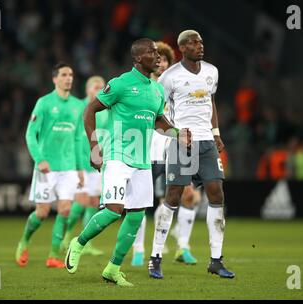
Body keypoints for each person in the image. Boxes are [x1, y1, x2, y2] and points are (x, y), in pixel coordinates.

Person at [64, 38, 191, 286]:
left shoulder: (157, 90)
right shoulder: (121, 83)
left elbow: (158, 121)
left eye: (157, 53)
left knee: (136, 216)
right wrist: (94, 146)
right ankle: (78, 243)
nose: (157, 57)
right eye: (151, 53)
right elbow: (90, 110)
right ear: (138, 59)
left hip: (142, 161)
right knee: (114, 210)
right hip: (118, 156)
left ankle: (113, 268)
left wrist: (178, 133)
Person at [148, 30, 235, 279]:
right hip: (182, 141)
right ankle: (155, 257)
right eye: (194, 42)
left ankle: (216, 260)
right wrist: (176, 133)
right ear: (182, 47)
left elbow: (211, 102)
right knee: (173, 196)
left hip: (207, 141)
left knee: (216, 192)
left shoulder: (212, 71)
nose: (200, 46)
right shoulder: (169, 76)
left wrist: (216, 131)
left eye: (201, 42)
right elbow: (158, 111)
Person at [131, 41, 201, 266]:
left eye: (165, 61)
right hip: (145, 152)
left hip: (173, 151)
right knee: (139, 204)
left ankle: (183, 247)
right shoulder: (142, 90)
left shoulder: (179, 90)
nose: (161, 65)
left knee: (188, 196)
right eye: (157, 60)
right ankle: (139, 250)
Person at [15, 62, 84, 268]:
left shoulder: (78, 105)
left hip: (69, 166)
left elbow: (79, 139)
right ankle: (24, 241)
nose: (68, 78)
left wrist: (80, 167)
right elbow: (30, 133)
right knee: (42, 212)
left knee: (64, 210)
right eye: (64, 74)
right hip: (48, 167)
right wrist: (39, 159)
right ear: (55, 79)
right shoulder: (44, 103)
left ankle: (53, 256)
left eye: (71, 74)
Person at [61, 76, 108, 256]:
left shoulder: (104, 110)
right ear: (88, 90)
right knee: (81, 201)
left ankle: (85, 242)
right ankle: (65, 237)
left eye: (102, 87)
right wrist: (77, 164)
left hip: (97, 163)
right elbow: (75, 139)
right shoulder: (79, 108)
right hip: (80, 163)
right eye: (96, 87)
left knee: (94, 202)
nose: (99, 90)